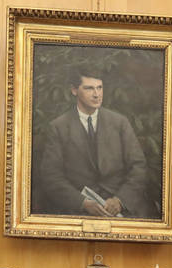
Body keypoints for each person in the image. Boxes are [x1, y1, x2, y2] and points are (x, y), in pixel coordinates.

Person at [36, 69, 156, 219]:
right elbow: (51, 176)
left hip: (121, 208)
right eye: (89, 88)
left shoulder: (120, 123)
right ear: (74, 90)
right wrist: (83, 203)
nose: (96, 94)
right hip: (77, 210)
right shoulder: (59, 127)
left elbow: (138, 167)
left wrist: (120, 200)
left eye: (99, 87)